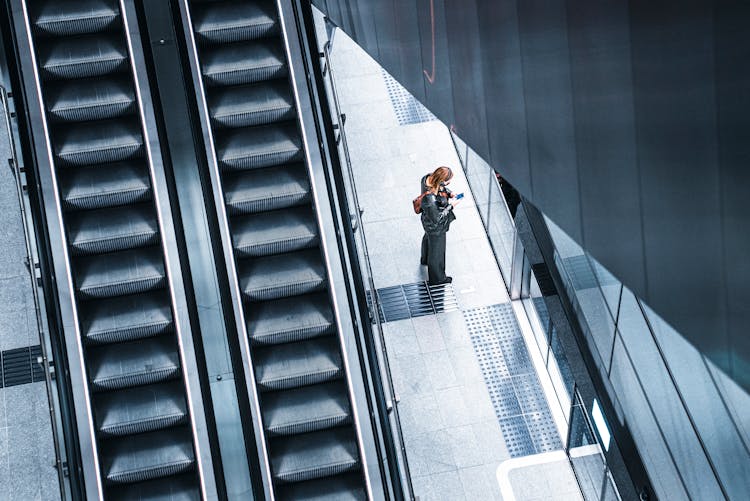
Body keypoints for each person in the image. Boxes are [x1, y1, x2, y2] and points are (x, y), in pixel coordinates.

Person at [419, 166, 459, 285]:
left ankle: (425, 259)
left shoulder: (427, 179)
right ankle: (438, 278)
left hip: (427, 221)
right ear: (440, 180)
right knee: (437, 253)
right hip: (435, 228)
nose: (448, 183)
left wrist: (450, 193)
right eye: (447, 181)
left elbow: (440, 188)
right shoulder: (430, 199)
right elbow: (438, 218)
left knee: (427, 239)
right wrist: (451, 205)